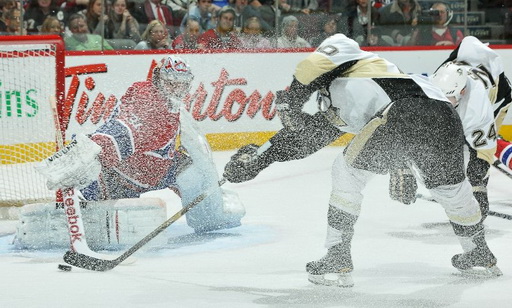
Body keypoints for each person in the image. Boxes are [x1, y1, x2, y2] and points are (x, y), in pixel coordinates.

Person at [223, 33, 502, 287]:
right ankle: (478, 251)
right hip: (443, 118)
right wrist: (261, 159)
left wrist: (291, 99)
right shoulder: (365, 87)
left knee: (346, 172)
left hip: (402, 114)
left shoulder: (349, 53)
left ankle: (337, 255)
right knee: (450, 189)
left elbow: (313, 65)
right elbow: (307, 139)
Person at [37, 55, 245, 234]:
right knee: (102, 223)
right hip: (120, 177)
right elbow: (125, 129)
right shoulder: (147, 99)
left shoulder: (168, 102)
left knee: (193, 175)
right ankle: (67, 223)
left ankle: (208, 218)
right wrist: (97, 148)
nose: (178, 88)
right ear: (161, 79)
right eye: (173, 82)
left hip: (160, 168)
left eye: (183, 83)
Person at [431, 36, 512, 220]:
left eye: (448, 98)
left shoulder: (476, 105)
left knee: (489, 145)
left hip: (499, 96)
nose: (443, 102)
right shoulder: (437, 86)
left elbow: (483, 150)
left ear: (461, 92)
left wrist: (477, 185)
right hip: (475, 72)